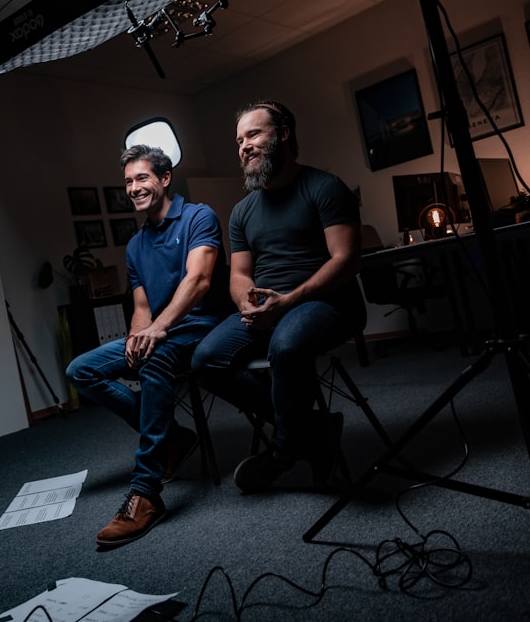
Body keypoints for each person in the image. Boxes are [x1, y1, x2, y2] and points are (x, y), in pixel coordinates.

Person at [191, 100, 366, 493]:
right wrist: (245, 303)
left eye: (253, 134)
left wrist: (287, 302)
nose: (244, 146)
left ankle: (285, 449)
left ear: (283, 133)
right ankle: (313, 428)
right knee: (205, 360)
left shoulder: (325, 187)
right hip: (266, 309)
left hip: (328, 303)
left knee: (286, 347)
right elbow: (239, 274)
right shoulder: (242, 211)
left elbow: (347, 260)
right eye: (239, 140)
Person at [66, 144, 229, 546]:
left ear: (164, 178)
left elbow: (199, 282)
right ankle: (173, 437)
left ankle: (146, 492)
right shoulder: (136, 245)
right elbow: (140, 305)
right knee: (81, 370)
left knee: (154, 359)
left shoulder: (198, 216)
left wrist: (156, 331)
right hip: (160, 331)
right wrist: (138, 335)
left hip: (202, 328)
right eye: (128, 181)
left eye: (142, 178)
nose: (134, 187)